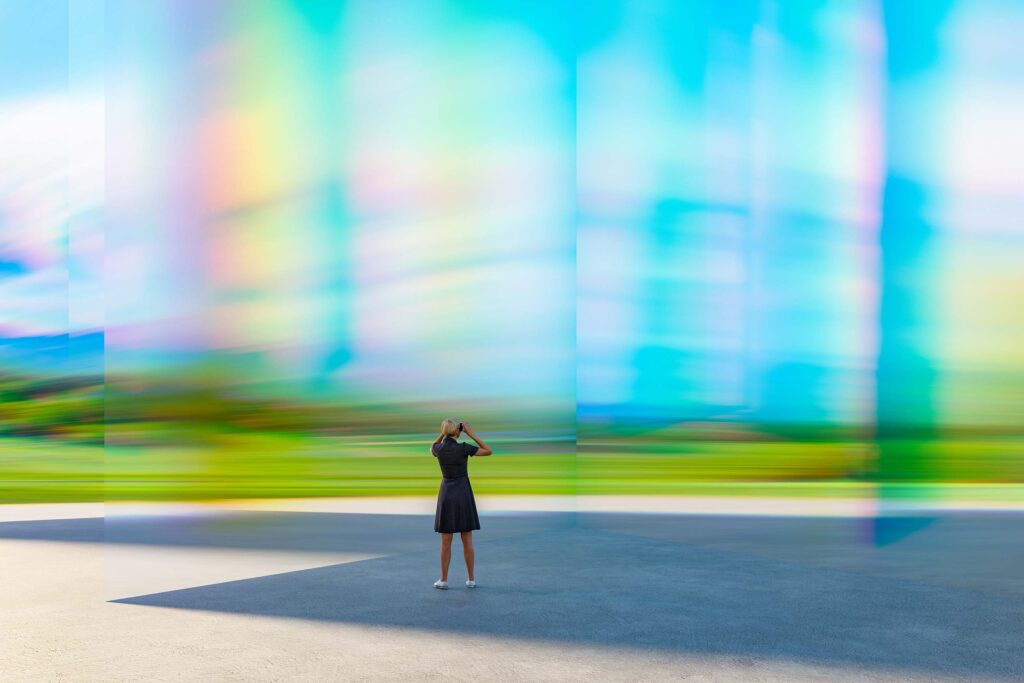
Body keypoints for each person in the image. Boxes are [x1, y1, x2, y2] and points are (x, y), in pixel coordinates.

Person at [430, 418, 491, 589]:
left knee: (446, 541)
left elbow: (431, 447)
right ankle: (471, 579)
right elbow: (488, 451)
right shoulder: (464, 447)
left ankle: (443, 580)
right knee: (467, 539)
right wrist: (471, 433)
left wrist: (443, 432)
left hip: (447, 495)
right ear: (458, 431)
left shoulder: (438, 448)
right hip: (463, 493)